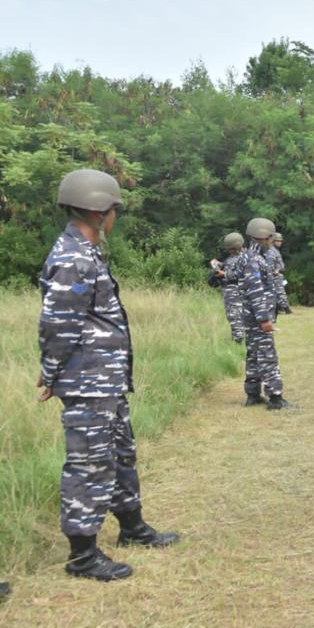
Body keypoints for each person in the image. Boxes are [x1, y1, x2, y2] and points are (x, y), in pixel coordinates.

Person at [38, 168, 180, 582]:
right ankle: (83, 556)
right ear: (100, 212)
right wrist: (50, 374)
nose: (117, 216)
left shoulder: (89, 251)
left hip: (105, 379)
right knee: (89, 463)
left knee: (119, 454)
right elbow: (58, 325)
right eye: (115, 209)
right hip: (87, 382)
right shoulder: (73, 258)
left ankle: (132, 527)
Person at [238, 218, 294, 410]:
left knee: (254, 354)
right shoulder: (253, 260)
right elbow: (255, 292)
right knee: (267, 355)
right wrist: (264, 319)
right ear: (262, 237)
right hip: (257, 317)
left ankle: (253, 394)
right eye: (270, 237)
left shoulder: (252, 257)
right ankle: (276, 398)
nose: (272, 240)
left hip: (252, 316)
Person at [211, 232, 245, 343]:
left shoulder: (241, 258)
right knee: (235, 316)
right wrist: (219, 264)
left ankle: (238, 342)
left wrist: (223, 274)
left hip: (234, 293)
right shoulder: (240, 257)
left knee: (235, 317)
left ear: (233, 247)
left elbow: (239, 274)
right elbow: (231, 267)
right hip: (235, 292)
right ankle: (238, 340)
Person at [266, 232, 292, 316]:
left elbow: (280, 264)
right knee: (280, 293)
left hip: (279, 275)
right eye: (277, 241)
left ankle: (280, 309)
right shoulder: (271, 251)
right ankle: (286, 309)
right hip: (275, 276)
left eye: (280, 241)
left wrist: (279, 269)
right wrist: (275, 271)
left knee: (278, 293)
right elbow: (270, 266)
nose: (280, 242)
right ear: (273, 241)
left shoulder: (275, 251)